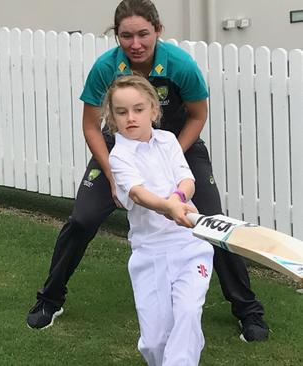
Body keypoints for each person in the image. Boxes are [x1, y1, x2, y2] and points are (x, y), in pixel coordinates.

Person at [26, 0, 269, 342]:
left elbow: (198, 115)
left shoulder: (180, 65)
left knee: (211, 220)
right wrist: (113, 175)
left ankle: (248, 312)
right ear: (117, 36)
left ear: (158, 31)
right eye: (126, 36)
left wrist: (169, 158)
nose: (135, 43)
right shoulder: (104, 68)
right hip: (120, 152)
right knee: (82, 218)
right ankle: (49, 300)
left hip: (177, 147)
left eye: (143, 34)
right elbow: (92, 127)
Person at [106, 75, 212, 365]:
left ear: (154, 110)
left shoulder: (167, 141)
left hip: (190, 245)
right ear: (112, 118)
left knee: (188, 312)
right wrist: (170, 208)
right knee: (155, 342)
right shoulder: (118, 156)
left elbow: (187, 178)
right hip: (149, 254)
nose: (131, 117)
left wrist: (178, 199)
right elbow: (138, 194)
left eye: (139, 109)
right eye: (122, 112)